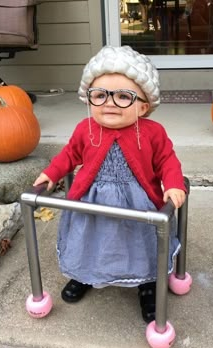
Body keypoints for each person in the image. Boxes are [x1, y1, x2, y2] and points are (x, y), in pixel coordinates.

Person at [33, 45, 186, 323]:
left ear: (143, 105)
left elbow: (168, 160)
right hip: (92, 203)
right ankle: (85, 274)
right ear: (88, 100)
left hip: (137, 206)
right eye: (100, 95)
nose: (110, 103)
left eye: (123, 97)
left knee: (140, 245)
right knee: (90, 241)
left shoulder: (152, 132)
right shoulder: (85, 129)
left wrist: (174, 184)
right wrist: (52, 173)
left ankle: (147, 283)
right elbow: (69, 154)